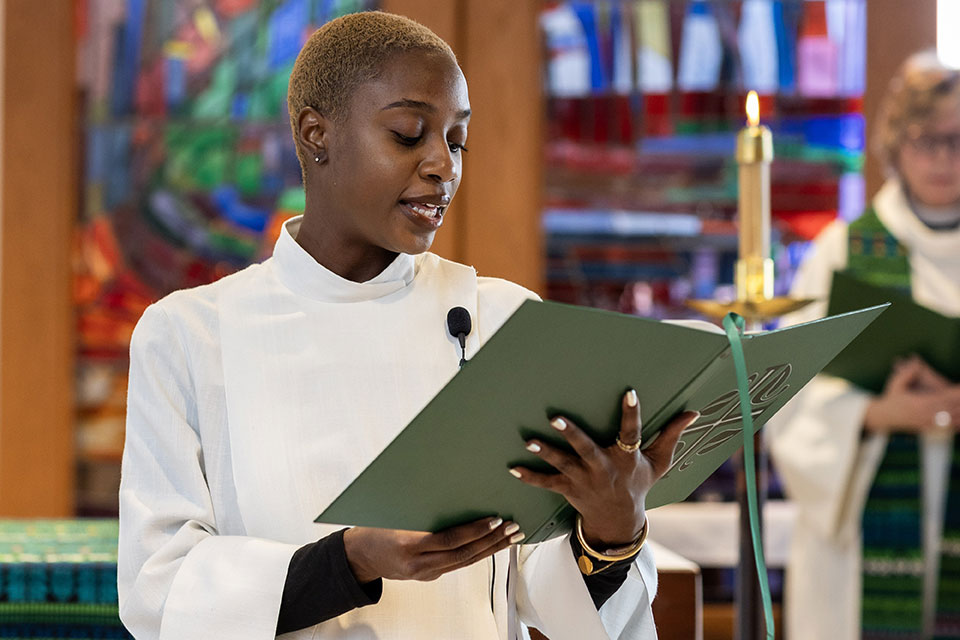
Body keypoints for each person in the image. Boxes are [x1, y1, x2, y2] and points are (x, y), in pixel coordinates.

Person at [117, 11, 697, 640]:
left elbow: (540, 588)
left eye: (456, 140)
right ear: (317, 134)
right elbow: (160, 587)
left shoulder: (501, 318)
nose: (442, 165)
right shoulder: (189, 335)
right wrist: (352, 559)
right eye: (408, 133)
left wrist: (612, 528)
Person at [768, 51, 960, 640]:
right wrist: (878, 413)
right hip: (856, 549)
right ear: (896, 145)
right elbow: (785, 401)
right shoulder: (841, 254)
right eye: (926, 140)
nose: (943, 158)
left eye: (958, 140)